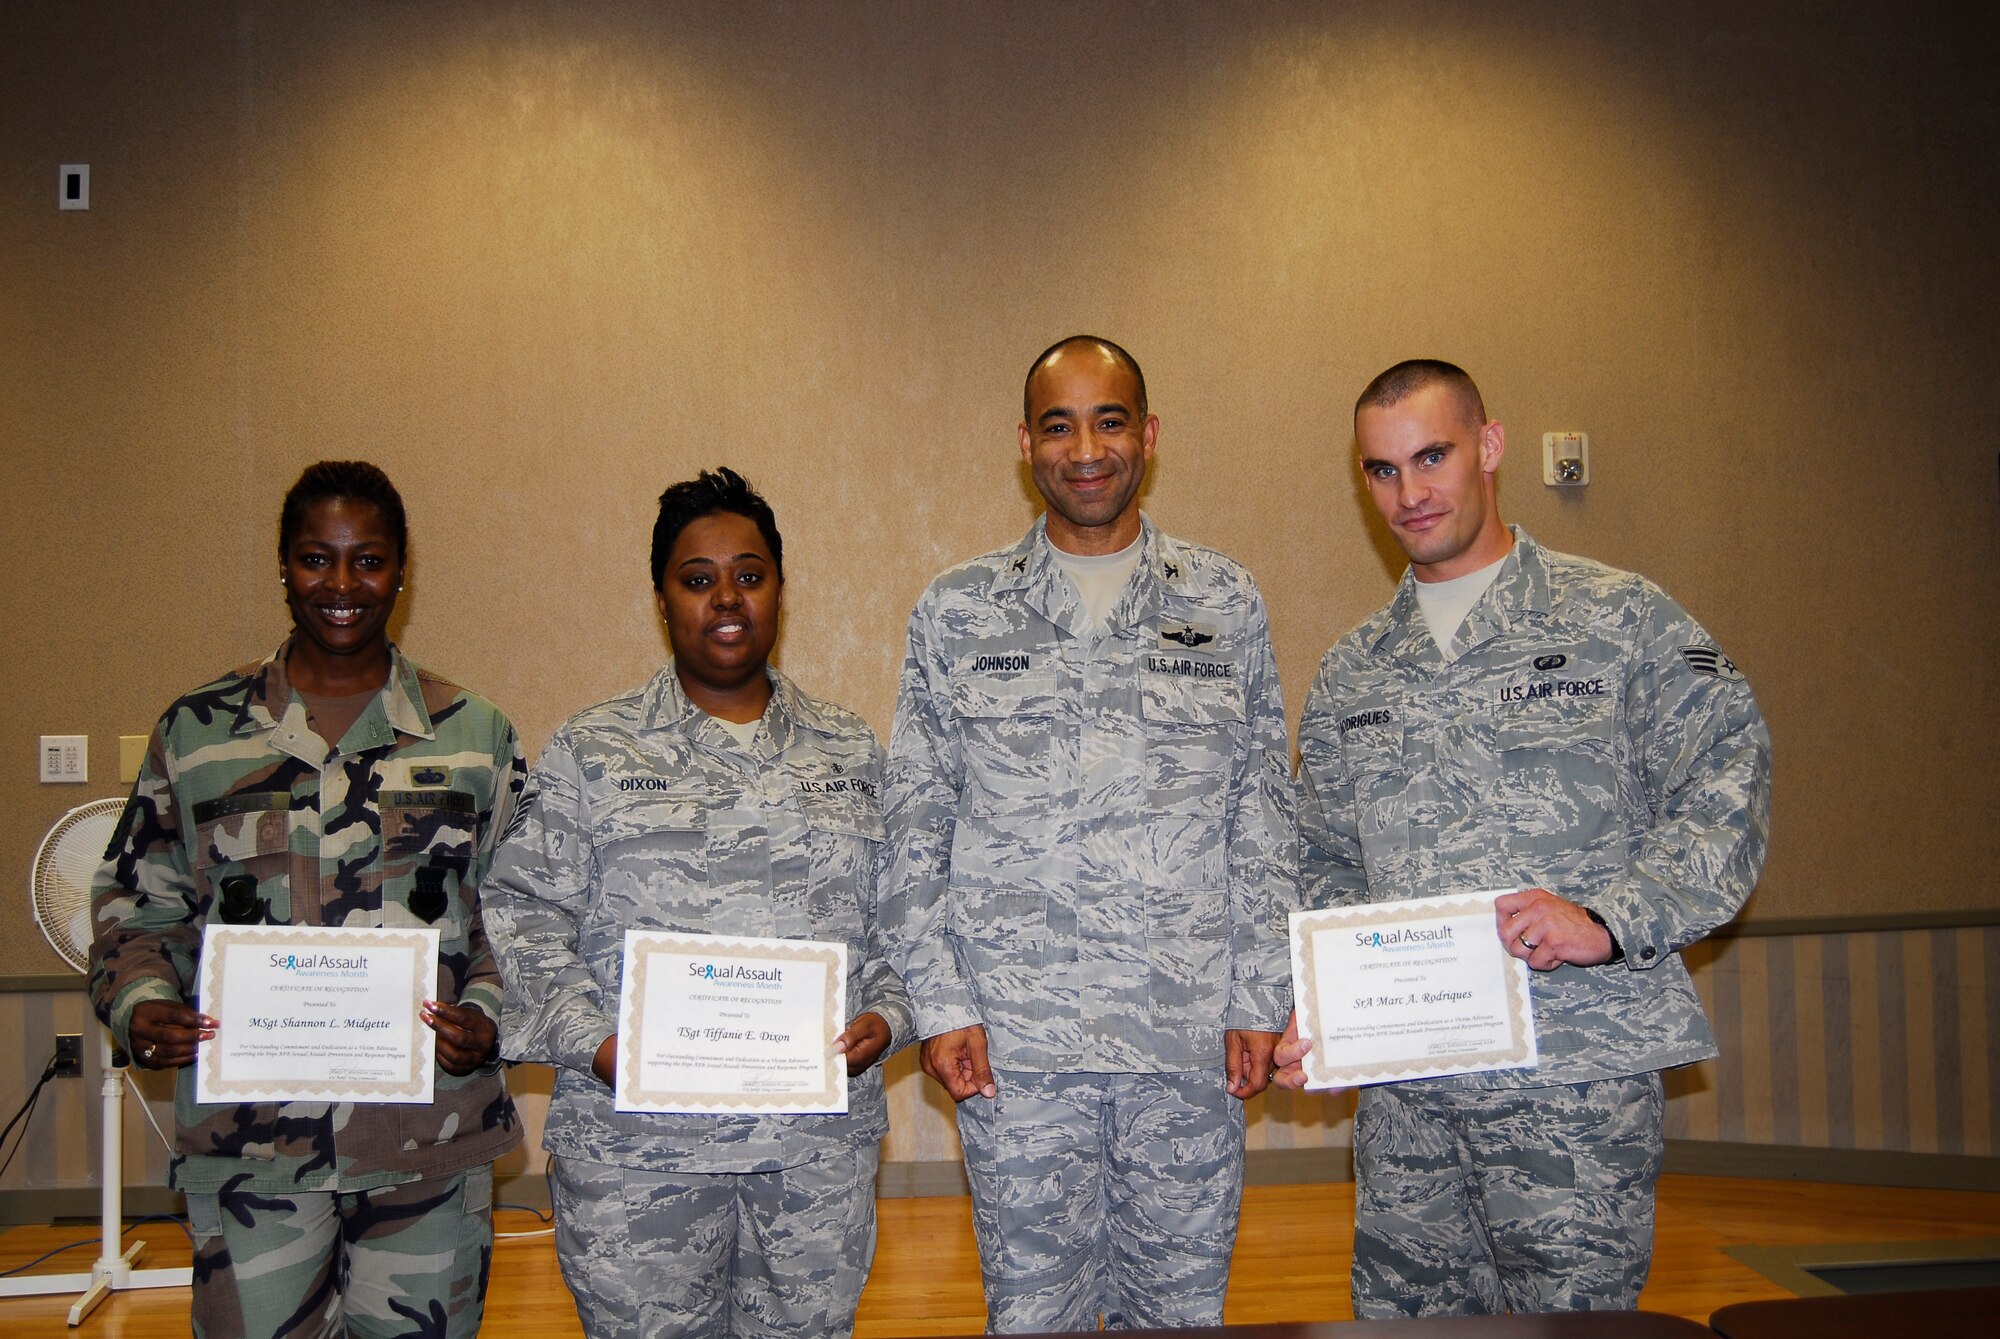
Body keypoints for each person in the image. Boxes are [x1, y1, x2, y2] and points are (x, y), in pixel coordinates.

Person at [1276, 359, 1772, 1316]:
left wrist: (1610, 917)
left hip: (1574, 1083)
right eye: (1383, 470)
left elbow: (1728, 775)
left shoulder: (1617, 619)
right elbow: (1326, 858)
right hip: (1410, 1099)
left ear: (1490, 446)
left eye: (1433, 456)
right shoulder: (1354, 670)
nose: (1410, 493)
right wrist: (1328, 1004)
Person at [880, 336, 1298, 1331]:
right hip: (1015, 1051)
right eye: (1058, 425)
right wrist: (940, 1003)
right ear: (1024, 442)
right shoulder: (957, 611)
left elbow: (1261, 811)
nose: (1085, 450)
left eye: (1108, 421)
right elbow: (914, 822)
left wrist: (1259, 994)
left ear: (1147, 435)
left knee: (1179, 1314)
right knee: (1033, 1317)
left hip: (1187, 1041)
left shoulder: (1223, 601)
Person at [89, 460, 525, 1338]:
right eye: (316, 558)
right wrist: (143, 1004)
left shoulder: (474, 735)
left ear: (401, 571)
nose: (342, 584)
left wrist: (487, 1014)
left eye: (368, 560)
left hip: (427, 1142)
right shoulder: (198, 733)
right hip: (252, 1151)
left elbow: (520, 921)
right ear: (283, 566)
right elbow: (136, 905)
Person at [480, 467, 911, 1339]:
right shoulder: (593, 750)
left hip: (811, 1158)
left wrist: (890, 1015)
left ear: (780, 589)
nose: (727, 598)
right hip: (637, 1156)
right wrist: (596, 1043)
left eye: (750, 575)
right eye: (697, 577)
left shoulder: (851, 749)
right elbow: (521, 912)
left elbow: (902, 917)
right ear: (662, 597)